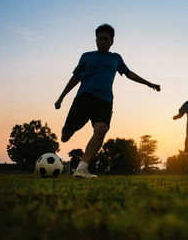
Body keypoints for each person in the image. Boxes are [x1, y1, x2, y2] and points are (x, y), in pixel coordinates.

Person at [55, 24, 161, 178]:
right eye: (99, 39)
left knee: (101, 130)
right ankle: (68, 131)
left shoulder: (116, 58)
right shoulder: (86, 56)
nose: (102, 42)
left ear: (112, 41)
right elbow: (76, 77)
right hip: (83, 99)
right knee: (65, 136)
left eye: (106, 39)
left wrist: (149, 83)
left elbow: (129, 74)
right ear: (96, 40)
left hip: (104, 102)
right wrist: (61, 97)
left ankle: (81, 168)